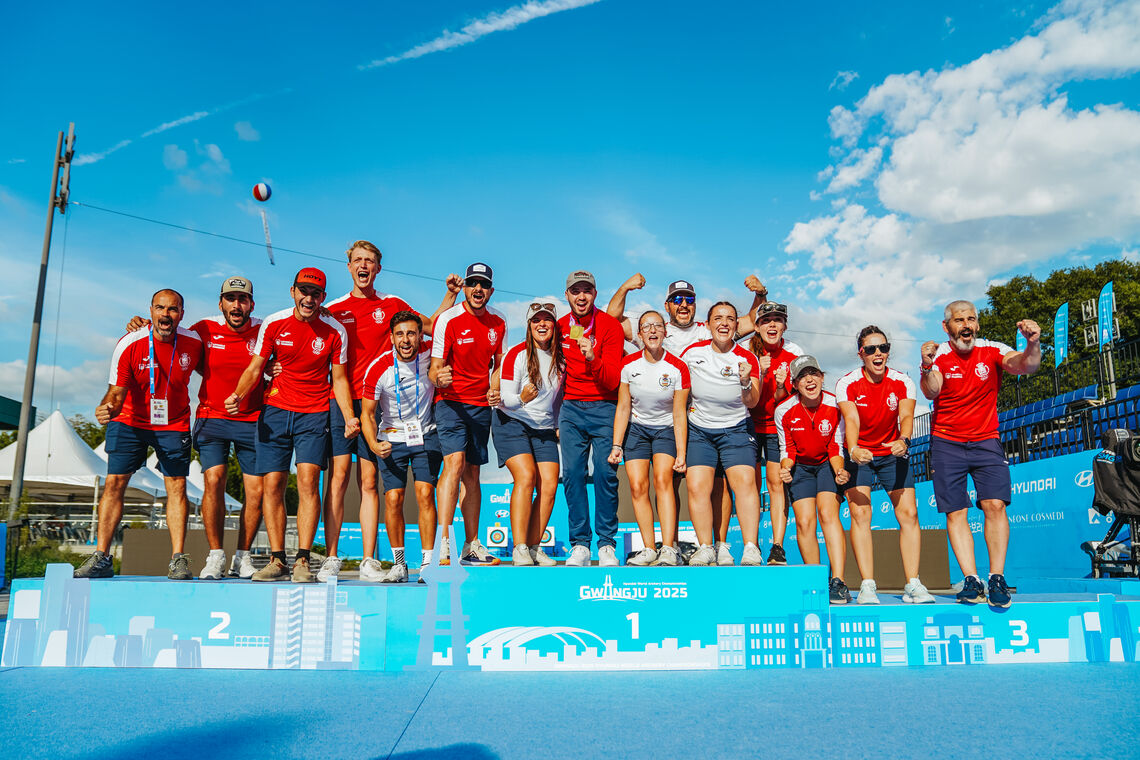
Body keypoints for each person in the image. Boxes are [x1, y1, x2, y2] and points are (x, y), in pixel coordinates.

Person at [319, 240, 461, 581]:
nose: (364, 265)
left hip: (384, 404)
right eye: (358, 260)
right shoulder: (333, 309)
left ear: (378, 268)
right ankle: (332, 557)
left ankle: (370, 559)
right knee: (338, 478)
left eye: (370, 260)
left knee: (370, 481)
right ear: (349, 266)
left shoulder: (393, 303)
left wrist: (450, 297)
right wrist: (273, 370)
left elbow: (430, 327)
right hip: (345, 399)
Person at [608, 275, 768, 563]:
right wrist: (625, 288)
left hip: (707, 423)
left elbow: (750, 320)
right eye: (678, 299)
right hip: (687, 423)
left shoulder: (709, 329)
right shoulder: (656, 326)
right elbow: (611, 321)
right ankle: (676, 546)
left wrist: (760, 294)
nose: (684, 304)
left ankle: (725, 545)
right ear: (667, 305)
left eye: (690, 300)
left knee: (723, 486)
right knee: (678, 485)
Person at [124, 276, 267, 580]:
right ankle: (215, 555)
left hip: (252, 419)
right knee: (213, 479)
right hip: (212, 418)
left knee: (256, 491)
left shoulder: (265, 328)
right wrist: (140, 324)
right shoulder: (203, 328)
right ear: (221, 303)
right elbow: (167, 334)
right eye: (230, 299)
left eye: (242, 300)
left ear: (251, 304)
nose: (236, 306)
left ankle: (243, 556)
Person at [226, 267, 357, 583]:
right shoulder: (273, 322)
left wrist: (350, 415)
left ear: (323, 297)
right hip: (274, 411)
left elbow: (338, 380)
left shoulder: (334, 331)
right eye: (303, 291)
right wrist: (238, 394)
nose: (308, 299)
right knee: (272, 484)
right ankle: (277, 559)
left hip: (313, 414)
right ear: (293, 291)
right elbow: (256, 367)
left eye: (315, 294)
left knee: (309, 482)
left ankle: (302, 560)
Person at [75, 289, 203, 580]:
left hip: (173, 421)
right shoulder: (130, 342)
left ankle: (178, 559)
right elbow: (116, 391)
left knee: (177, 486)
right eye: (160, 308)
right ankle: (102, 556)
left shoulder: (194, 342)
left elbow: (216, 370)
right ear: (151, 310)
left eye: (172, 310)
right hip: (130, 419)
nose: (166, 315)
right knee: (114, 483)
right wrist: (106, 408)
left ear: (182, 314)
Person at [921, 300, 1041, 608]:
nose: (966, 324)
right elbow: (931, 390)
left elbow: (1028, 365)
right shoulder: (940, 356)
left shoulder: (992, 350)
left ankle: (997, 578)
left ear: (977, 324)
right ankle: (971, 580)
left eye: (971, 319)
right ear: (946, 326)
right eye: (959, 319)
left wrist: (1033, 343)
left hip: (987, 440)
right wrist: (926, 365)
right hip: (947, 443)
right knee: (956, 512)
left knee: (995, 505)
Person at [836, 326, 935, 604]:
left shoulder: (903, 380)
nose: (878, 354)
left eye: (883, 348)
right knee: (861, 516)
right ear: (861, 354)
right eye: (871, 349)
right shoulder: (847, 383)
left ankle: (913, 584)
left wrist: (904, 439)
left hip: (893, 450)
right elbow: (851, 420)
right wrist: (854, 449)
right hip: (860, 453)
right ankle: (868, 585)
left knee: (909, 514)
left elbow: (906, 415)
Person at [429, 262, 507, 566]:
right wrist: (439, 378)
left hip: (480, 406)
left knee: (473, 473)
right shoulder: (448, 319)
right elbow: (435, 367)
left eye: (483, 285)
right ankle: (443, 542)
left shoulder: (499, 321)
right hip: (450, 402)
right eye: (472, 283)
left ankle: (471, 545)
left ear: (491, 290)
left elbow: (499, 362)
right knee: (455, 463)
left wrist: (495, 384)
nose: (478, 289)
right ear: (465, 288)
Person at [679, 302, 764, 566]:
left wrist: (746, 382)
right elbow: (679, 396)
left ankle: (751, 547)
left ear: (737, 326)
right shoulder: (692, 353)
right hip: (699, 430)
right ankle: (705, 547)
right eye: (718, 318)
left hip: (736, 429)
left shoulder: (748, 359)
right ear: (708, 324)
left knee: (746, 485)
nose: (724, 323)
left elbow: (752, 402)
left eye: (730, 318)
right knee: (697, 487)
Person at [360, 311, 439, 583]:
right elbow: (367, 414)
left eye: (411, 333)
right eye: (400, 334)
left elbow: (445, 323)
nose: (406, 340)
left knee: (426, 494)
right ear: (391, 337)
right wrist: (373, 443)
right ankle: (400, 564)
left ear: (420, 335)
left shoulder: (432, 354)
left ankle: (428, 562)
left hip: (425, 435)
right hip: (391, 439)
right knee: (393, 500)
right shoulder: (378, 367)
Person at [608, 310, 689, 566]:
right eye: (646, 327)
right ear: (640, 334)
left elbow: (679, 413)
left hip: (665, 429)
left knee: (663, 480)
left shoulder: (678, 367)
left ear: (665, 331)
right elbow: (623, 407)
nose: (652, 331)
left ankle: (668, 548)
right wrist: (616, 444)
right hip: (637, 430)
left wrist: (682, 452)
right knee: (637, 486)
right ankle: (648, 548)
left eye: (657, 326)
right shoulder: (628, 365)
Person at [559, 271, 625, 567]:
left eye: (587, 291)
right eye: (576, 291)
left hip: (604, 406)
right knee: (571, 473)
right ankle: (580, 544)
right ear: (567, 295)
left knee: (605, 474)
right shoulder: (560, 326)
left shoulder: (610, 327)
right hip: (571, 408)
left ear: (595, 294)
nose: (581, 296)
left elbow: (612, 381)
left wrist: (592, 357)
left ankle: (607, 544)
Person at [774, 355, 852, 603]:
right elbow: (787, 449)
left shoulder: (835, 405)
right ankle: (817, 579)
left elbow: (836, 446)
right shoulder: (784, 410)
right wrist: (786, 468)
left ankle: (838, 581)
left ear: (821, 377)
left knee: (828, 514)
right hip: (801, 468)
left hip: (827, 465)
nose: (809, 379)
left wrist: (840, 471)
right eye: (802, 376)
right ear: (795, 384)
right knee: (805, 522)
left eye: (814, 374)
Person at [494, 302, 566, 566]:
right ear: (529, 326)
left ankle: (535, 547)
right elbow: (504, 400)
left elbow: (558, 399)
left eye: (547, 320)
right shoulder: (517, 354)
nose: (542, 324)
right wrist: (522, 399)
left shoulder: (561, 359)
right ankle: (520, 547)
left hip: (544, 427)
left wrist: (558, 422)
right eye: (536, 321)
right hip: (511, 420)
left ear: (554, 326)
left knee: (549, 485)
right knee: (526, 476)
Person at [748, 301, 804, 565]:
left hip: (775, 428)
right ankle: (752, 545)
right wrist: (759, 369)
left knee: (775, 483)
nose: (772, 324)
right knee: (749, 486)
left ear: (785, 326)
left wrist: (781, 387)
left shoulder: (793, 356)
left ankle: (777, 546)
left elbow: (791, 400)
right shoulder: (745, 351)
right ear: (757, 326)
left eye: (778, 320)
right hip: (746, 424)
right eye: (766, 320)